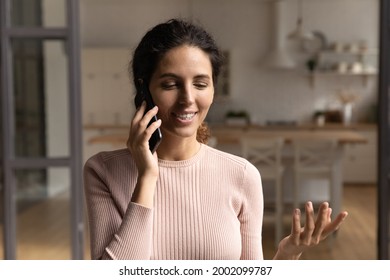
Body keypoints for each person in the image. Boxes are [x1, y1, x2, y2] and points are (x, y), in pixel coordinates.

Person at [83, 18, 348, 260]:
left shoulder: (242, 175)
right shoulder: (103, 171)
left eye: (200, 84)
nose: (188, 99)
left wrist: (286, 255)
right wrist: (147, 177)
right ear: (144, 90)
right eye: (170, 84)